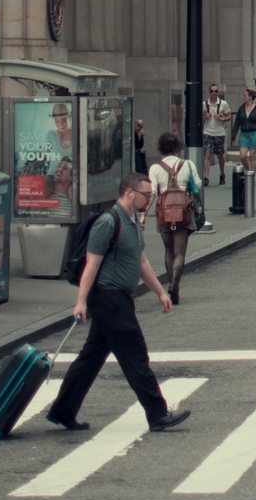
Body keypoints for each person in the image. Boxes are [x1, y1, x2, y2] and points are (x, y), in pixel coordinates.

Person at [45, 172, 190, 433]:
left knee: (90, 358)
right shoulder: (108, 222)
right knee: (135, 356)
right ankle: (157, 414)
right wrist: (80, 303)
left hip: (117, 298)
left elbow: (141, 261)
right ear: (129, 193)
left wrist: (160, 292)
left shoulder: (132, 221)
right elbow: (92, 264)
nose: (149, 199)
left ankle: (62, 411)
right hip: (108, 299)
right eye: (146, 195)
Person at [148, 132, 201, 303]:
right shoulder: (187, 164)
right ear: (177, 148)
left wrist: (142, 215)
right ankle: (175, 285)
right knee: (180, 253)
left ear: (161, 149)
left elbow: (152, 192)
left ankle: (171, 283)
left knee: (169, 250)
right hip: (183, 214)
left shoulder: (155, 168)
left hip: (164, 215)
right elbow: (198, 185)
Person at [202, 84, 233, 185]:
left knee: (220, 155)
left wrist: (222, 118)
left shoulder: (223, 104)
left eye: (215, 91)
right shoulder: (204, 104)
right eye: (212, 91)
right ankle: (206, 177)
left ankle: (222, 173)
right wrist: (204, 117)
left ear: (218, 92)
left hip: (219, 133)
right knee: (207, 154)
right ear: (209, 92)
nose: (214, 93)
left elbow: (229, 116)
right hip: (207, 132)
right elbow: (199, 117)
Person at [233, 88, 256, 174]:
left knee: (252, 156)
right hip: (244, 133)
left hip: (255, 133)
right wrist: (233, 134)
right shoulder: (241, 108)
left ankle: (252, 176)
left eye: (245, 96)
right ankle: (248, 171)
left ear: (250, 97)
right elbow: (237, 122)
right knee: (243, 156)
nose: (243, 97)